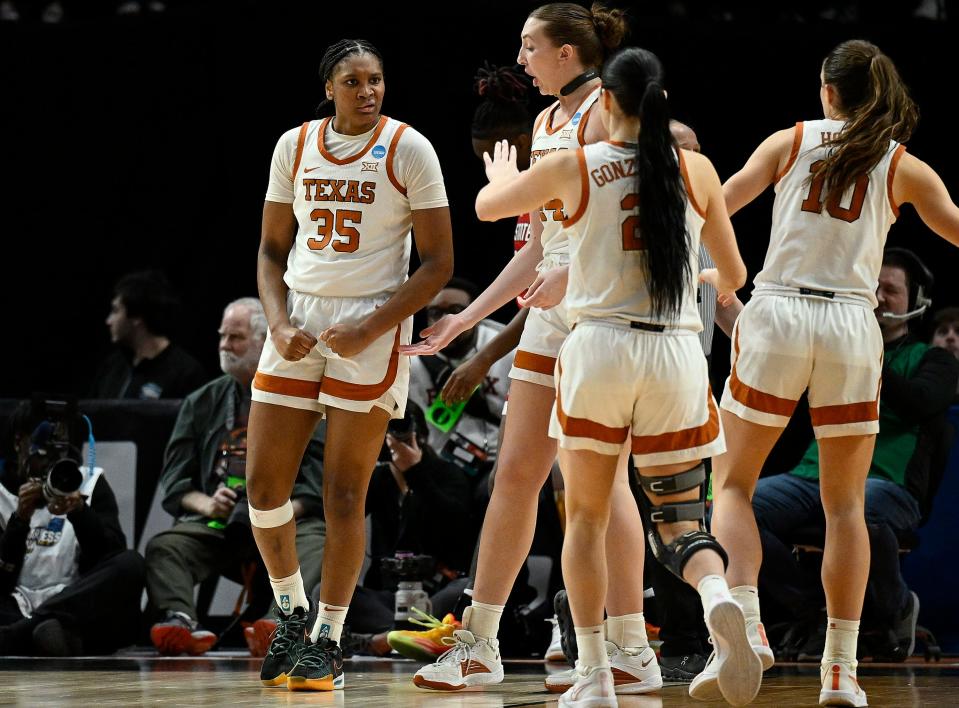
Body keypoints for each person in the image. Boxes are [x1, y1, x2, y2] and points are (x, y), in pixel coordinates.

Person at [470, 45, 748, 706]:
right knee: (678, 518)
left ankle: (593, 673)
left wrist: (499, 173)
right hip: (676, 357)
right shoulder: (698, 170)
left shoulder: (574, 163)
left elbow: (488, 209)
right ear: (661, 103)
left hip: (598, 352)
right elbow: (733, 278)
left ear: (608, 104)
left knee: (587, 519)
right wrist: (698, 279)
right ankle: (715, 596)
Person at [407, 5, 664, 696]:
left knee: (603, 488)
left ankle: (631, 648)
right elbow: (534, 253)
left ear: (568, 51)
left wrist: (574, 273)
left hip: (598, 315)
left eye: (530, 47)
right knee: (516, 476)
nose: (519, 60)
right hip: (549, 323)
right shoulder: (547, 122)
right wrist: (471, 323)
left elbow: (646, 217)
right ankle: (478, 644)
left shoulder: (606, 114)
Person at [704, 39, 959, 707]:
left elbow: (714, 210)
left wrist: (723, 276)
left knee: (730, 484)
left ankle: (750, 623)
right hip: (851, 326)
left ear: (825, 90)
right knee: (844, 507)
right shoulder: (902, 164)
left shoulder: (787, 141)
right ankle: (841, 672)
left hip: (780, 311)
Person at [246, 38, 452, 692]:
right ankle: (290, 612)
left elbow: (438, 264)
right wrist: (277, 322)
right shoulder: (294, 145)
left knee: (342, 493)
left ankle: (329, 638)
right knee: (263, 490)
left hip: (372, 324)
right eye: (354, 81)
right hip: (299, 320)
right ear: (329, 87)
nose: (368, 91)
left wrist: (369, 325)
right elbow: (271, 251)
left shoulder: (409, 148)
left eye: (377, 80)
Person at [746, 249, 958, 662]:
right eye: (870, 287)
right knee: (741, 507)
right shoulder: (834, 352)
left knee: (861, 510)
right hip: (813, 475)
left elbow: (921, 401)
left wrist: (863, 354)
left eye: (890, 291)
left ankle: (897, 608)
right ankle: (814, 608)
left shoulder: (932, 360)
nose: (877, 297)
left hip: (889, 486)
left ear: (915, 302)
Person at [144, 298, 325, 657]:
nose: (224, 345)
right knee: (165, 547)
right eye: (222, 336)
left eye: (236, 337)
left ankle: (281, 623)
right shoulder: (202, 401)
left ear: (264, 341)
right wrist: (207, 503)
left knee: (316, 543)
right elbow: (175, 480)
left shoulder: (304, 394)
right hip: (221, 520)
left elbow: (319, 482)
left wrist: (279, 510)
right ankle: (179, 620)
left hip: (288, 517)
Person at [0, 397, 144, 656]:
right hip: (13, 603)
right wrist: (19, 521)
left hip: (76, 601)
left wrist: (80, 513)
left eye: (59, 452)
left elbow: (109, 557)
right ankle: (52, 637)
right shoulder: (1, 492)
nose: (49, 464)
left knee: (132, 563)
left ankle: (22, 634)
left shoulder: (90, 482)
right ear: (19, 442)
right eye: (43, 452)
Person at [346, 402, 475, 638]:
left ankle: (391, 636)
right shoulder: (378, 479)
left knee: (465, 590)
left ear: (420, 433)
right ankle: (408, 634)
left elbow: (458, 527)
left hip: (435, 591)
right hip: (388, 596)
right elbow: (344, 517)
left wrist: (415, 473)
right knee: (327, 591)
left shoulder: (447, 474)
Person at [407, 278, 514, 475]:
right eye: (435, 313)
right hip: (444, 465)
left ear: (476, 314)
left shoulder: (506, 347)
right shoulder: (411, 366)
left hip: (504, 457)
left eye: (456, 310)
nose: (445, 320)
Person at [89, 269, 207, 399]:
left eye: (116, 311)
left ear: (137, 317)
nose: (108, 321)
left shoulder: (186, 373)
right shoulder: (112, 367)